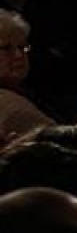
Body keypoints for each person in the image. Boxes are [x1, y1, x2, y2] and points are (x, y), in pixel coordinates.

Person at [0, 8, 54, 142]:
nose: (19, 55)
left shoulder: (28, 92)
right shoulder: (11, 107)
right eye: (6, 48)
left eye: (22, 47)